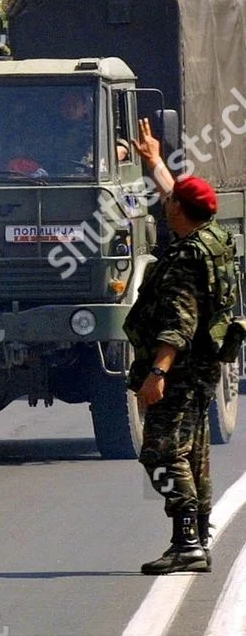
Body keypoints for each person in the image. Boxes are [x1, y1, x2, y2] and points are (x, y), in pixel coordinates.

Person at [125, 174, 239, 574]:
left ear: (177, 210)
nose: (166, 203)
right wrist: (155, 160)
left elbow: (178, 324)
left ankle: (187, 541)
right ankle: (197, 538)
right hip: (205, 367)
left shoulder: (184, 258)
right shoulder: (216, 240)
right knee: (194, 454)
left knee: (160, 454)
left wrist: (157, 372)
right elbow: (184, 195)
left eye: (171, 200)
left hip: (180, 370)